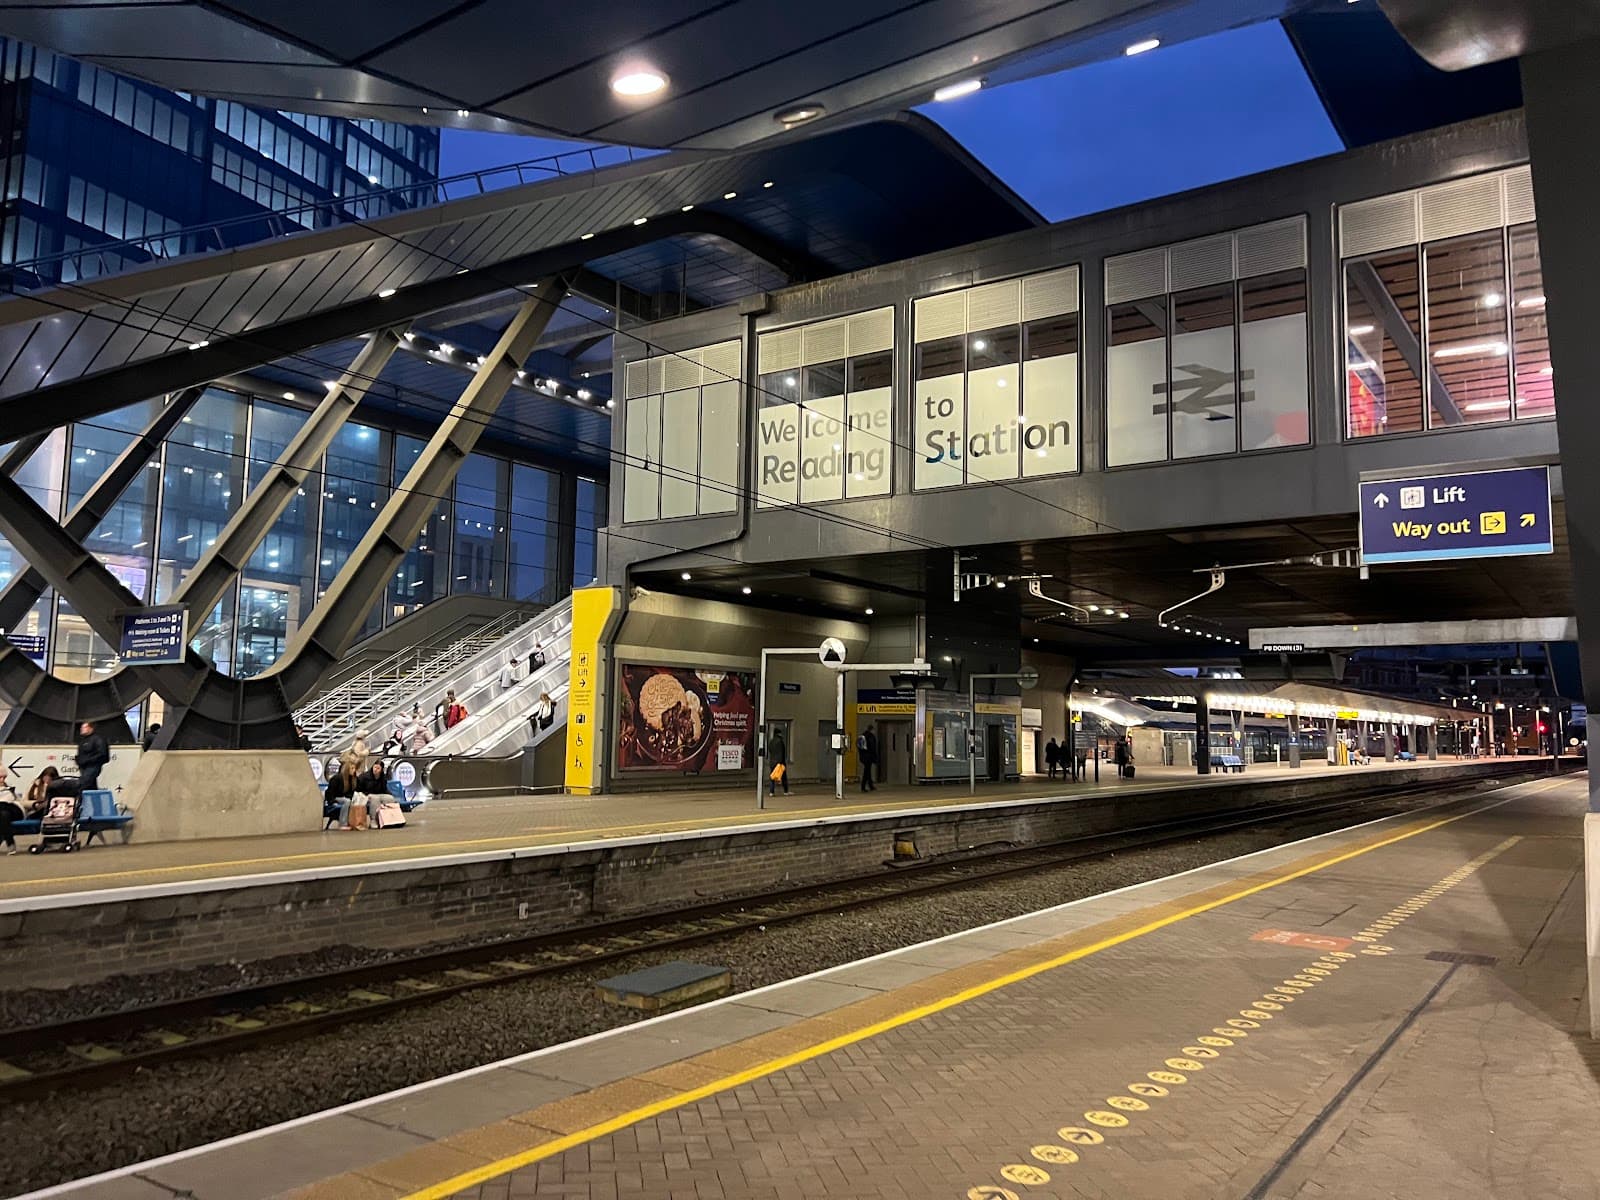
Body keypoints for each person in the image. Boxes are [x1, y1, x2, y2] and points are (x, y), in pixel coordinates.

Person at [75, 721, 109, 792]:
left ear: (91, 728)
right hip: (84, 767)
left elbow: (102, 754)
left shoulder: (98, 739)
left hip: (92, 766)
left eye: (84, 727)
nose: (81, 729)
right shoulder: (83, 740)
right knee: (90, 787)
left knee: (84, 785)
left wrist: (88, 760)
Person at [0, 766, 23, 855]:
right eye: (0, 777)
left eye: (4, 777)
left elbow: (20, 801)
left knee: (3, 807)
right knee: (3, 815)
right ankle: (10, 843)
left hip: (14, 809)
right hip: (4, 814)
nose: (2, 780)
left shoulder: (10, 787)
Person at [768, 725, 789, 796]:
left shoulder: (771, 741)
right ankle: (786, 791)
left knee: (772, 777)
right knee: (784, 777)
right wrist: (781, 762)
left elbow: (770, 751)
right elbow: (782, 752)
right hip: (780, 762)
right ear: (779, 733)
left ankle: (771, 792)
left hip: (772, 762)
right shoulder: (780, 741)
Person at [856, 724, 878, 792]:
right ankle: (864, 786)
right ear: (872, 730)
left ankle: (870, 785)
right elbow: (872, 748)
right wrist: (875, 757)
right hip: (869, 756)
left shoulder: (862, 735)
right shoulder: (871, 736)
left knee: (867, 771)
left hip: (863, 756)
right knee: (867, 772)